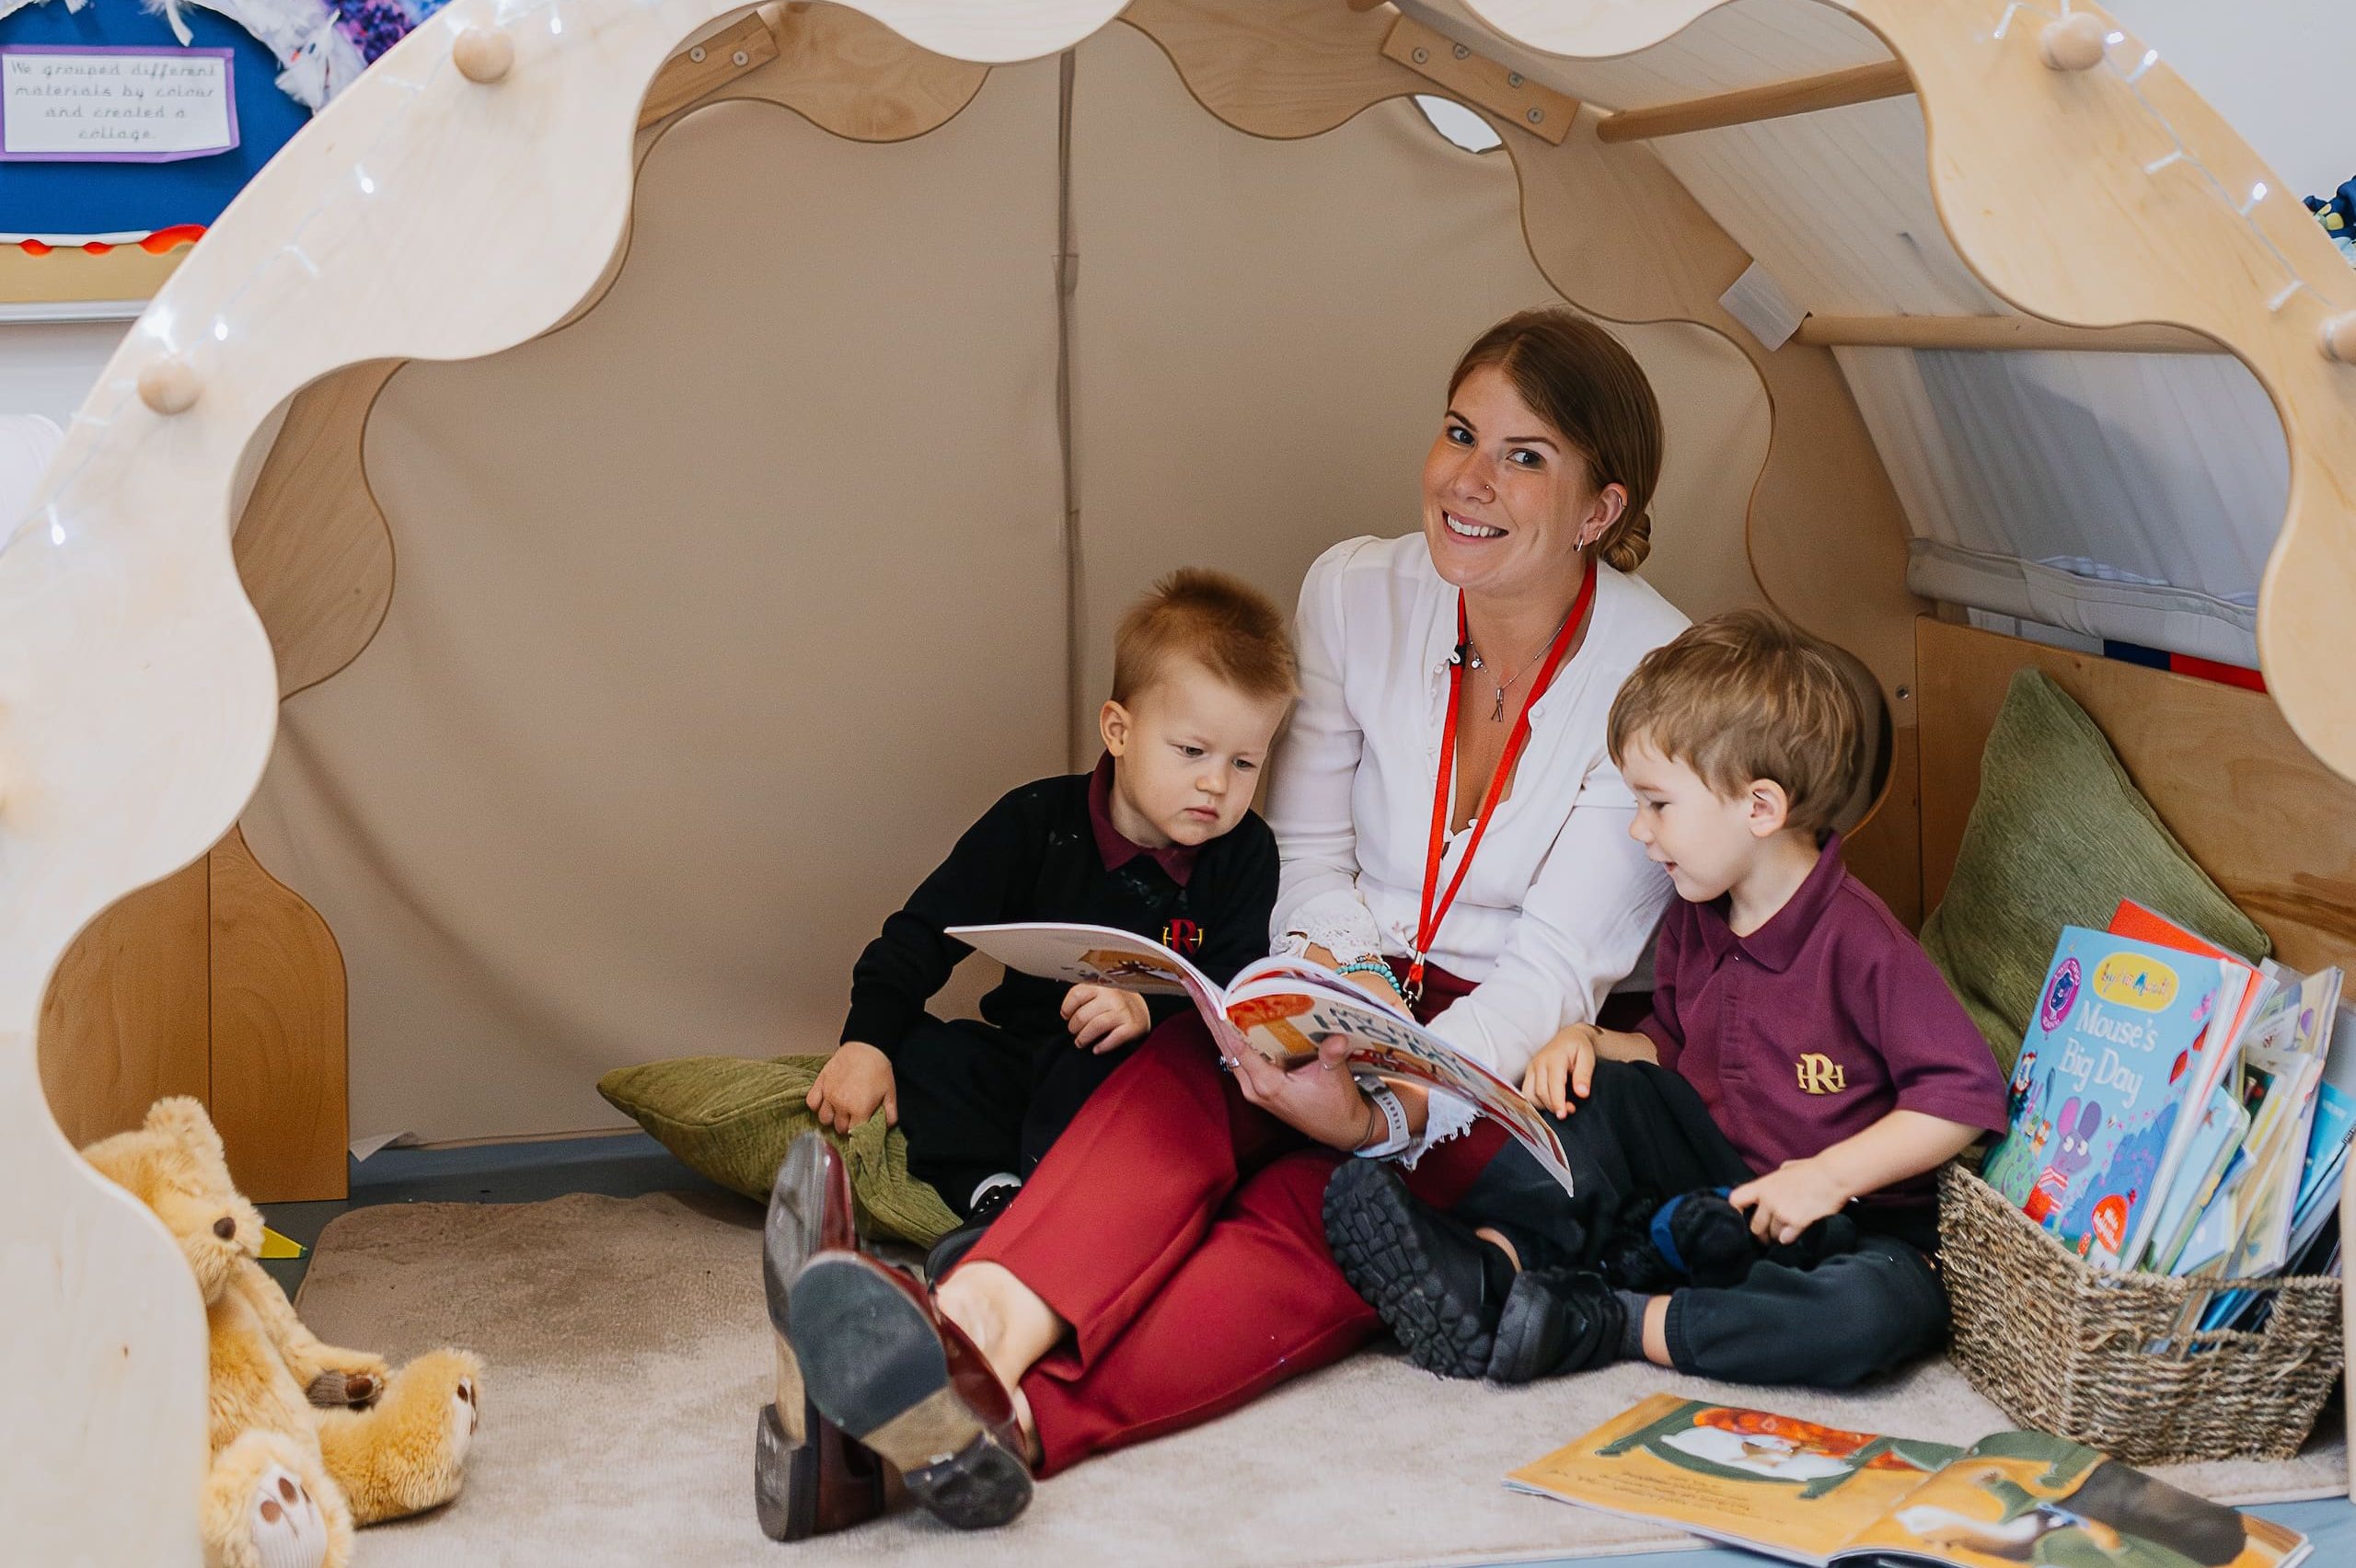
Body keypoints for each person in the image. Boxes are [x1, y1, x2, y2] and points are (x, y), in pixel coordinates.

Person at [775, 308, 1689, 1533]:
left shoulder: (1658, 671)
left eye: (1525, 457)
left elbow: (1551, 975)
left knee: (1325, 1211)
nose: (1469, 480)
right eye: (1461, 432)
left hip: (1497, 1053)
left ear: (1597, 508)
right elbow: (1304, 859)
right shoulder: (1355, 591)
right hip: (1347, 979)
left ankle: (954, 1430)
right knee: (1185, 1068)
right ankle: (975, 1331)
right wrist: (1324, 1009)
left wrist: (1387, 1105)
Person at [1325, 610, 2009, 1391]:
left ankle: (1614, 1321)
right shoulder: (1697, 908)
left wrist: (1825, 1178)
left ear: (1759, 808)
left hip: (1849, 1224)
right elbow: (1674, 1052)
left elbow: (1963, 1095)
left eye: (1657, 805)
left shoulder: (1864, 945)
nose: (1640, 833)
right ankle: (1490, 1270)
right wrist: (1590, 1040)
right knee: (1603, 1095)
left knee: (1873, 1314)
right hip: (1715, 1193)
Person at [805, 568, 1296, 1260]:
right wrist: (866, 1041)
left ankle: (1062, 1206)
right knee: (923, 1052)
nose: (1216, 784)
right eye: (1191, 752)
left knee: (1176, 1088)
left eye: (1246, 763)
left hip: (1131, 1071)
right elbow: (923, 930)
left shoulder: (1245, 853)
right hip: (1024, 1054)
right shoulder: (1035, 821)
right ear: (1118, 731)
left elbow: (1239, 988)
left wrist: (1147, 1013)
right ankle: (994, 1193)